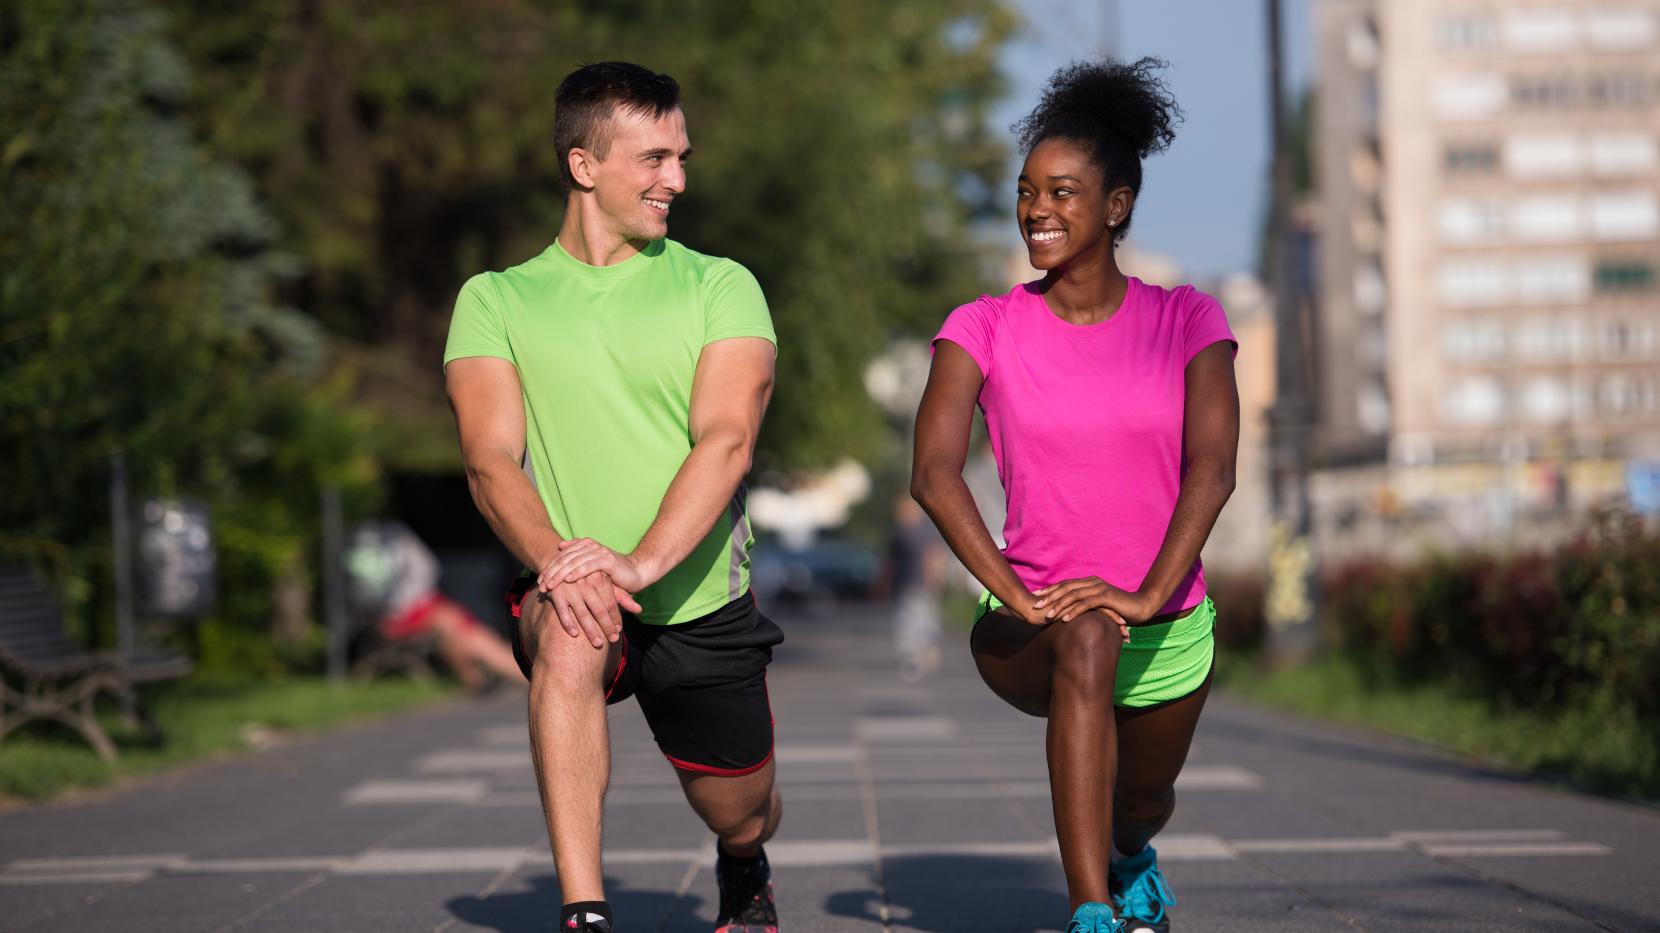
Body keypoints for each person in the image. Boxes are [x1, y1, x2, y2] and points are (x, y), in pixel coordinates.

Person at [444, 62, 783, 933]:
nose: (677, 178)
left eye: (682, 157)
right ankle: (584, 911)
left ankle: (744, 864)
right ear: (584, 164)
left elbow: (728, 439)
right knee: (565, 635)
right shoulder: (495, 301)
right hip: (573, 578)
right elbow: (490, 461)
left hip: (698, 594)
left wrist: (638, 560)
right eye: (655, 158)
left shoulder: (721, 285)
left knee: (739, 809)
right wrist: (563, 561)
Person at [910, 58, 1238, 933]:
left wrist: (1146, 593)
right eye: (1026, 192)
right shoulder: (982, 326)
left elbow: (1212, 467)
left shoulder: (1188, 321)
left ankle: (1129, 857)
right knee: (1087, 638)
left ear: (1116, 206)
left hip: (1167, 621)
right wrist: (1015, 592)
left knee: (1142, 801)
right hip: (1031, 622)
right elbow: (934, 472)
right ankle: (1092, 911)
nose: (1037, 211)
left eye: (1061, 192)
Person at [345, 520, 527, 692]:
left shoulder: (376, 536)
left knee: (458, 630)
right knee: (458, 625)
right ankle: (511, 676)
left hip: (413, 610)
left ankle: (479, 679)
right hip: (400, 614)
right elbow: (426, 569)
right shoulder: (385, 536)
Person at [872, 494, 947, 682]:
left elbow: (892, 562)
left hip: (914, 583)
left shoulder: (906, 532)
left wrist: (882, 582)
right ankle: (923, 650)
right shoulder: (921, 531)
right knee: (920, 620)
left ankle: (913, 659)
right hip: (912, 584)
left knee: (910, 623)